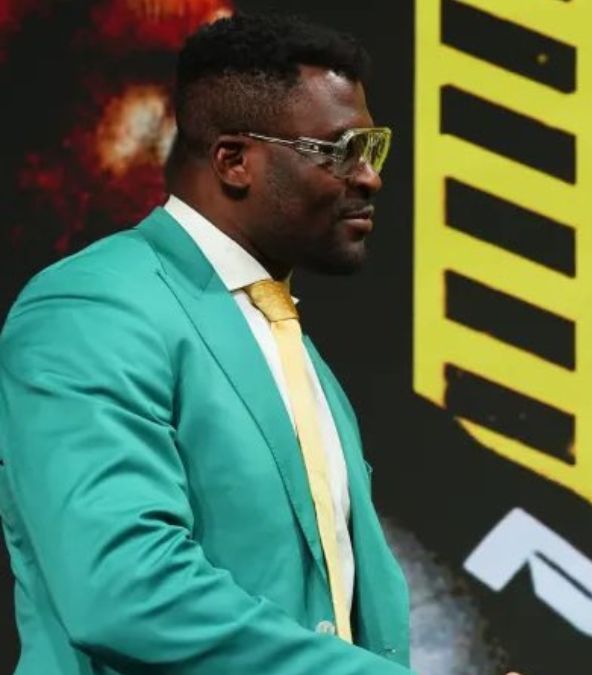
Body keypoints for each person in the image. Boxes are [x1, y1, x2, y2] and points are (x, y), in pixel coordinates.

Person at [0, 13, 416, 674]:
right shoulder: (95, 307)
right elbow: (125, 588)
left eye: (372, 148)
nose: (369, 177)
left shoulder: (282, 335)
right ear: (234, 161)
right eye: (339, 150)